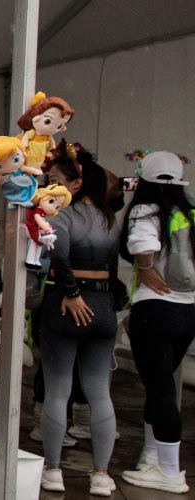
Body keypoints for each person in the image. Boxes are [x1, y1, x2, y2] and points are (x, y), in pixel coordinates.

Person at [32, 142, 120, 496]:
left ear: (77, 183)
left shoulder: (61, 215)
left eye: (55, 179)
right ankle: (101, 473)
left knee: (58, 390)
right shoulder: (109, 218)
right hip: (103, 304)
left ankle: (53, 469)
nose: (50, 186)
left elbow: (59, 256)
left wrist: (70, 292)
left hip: (67, 304)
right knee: (99, 391)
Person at [119, 150, 195, 494]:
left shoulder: (145, 209)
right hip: (187, 311)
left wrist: (147, 267)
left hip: (154, 310)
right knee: (160, 388)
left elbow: (141, 243)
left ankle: (169, 471)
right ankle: (152, 458)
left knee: (161, 390)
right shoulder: (189, 212)